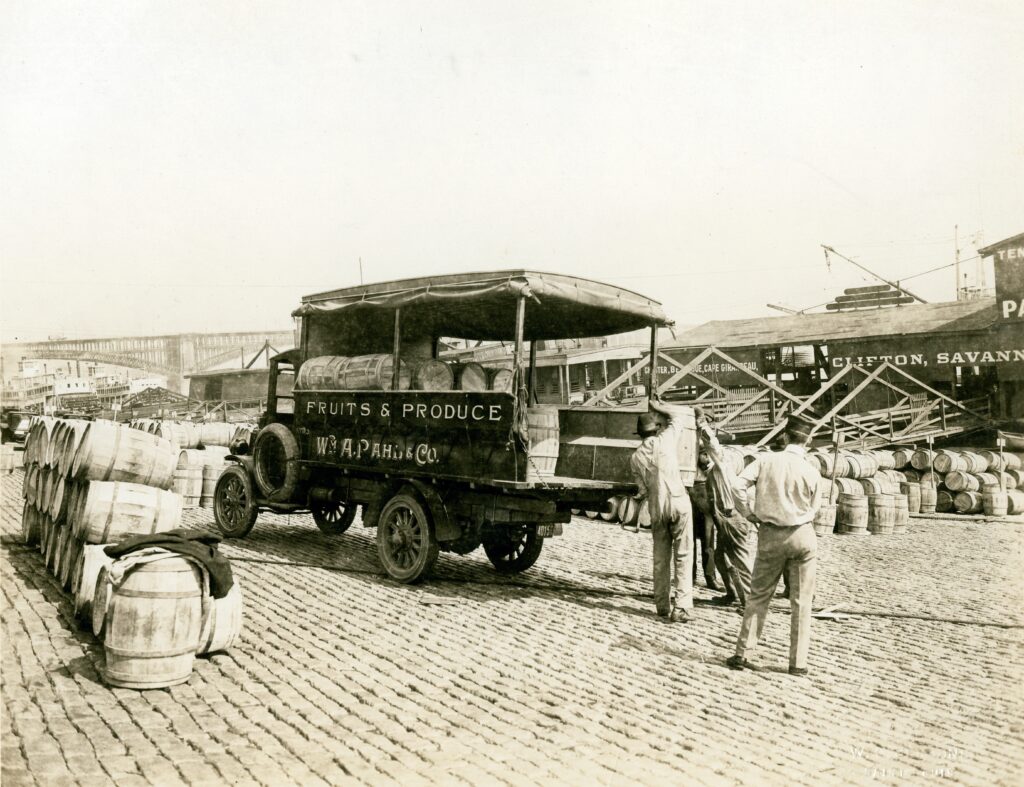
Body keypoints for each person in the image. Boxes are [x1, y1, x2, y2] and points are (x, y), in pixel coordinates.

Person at [726, 414, 821, 675]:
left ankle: (743, 654)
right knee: (801, 602)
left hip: (770, 535)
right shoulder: (812, 470)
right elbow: (815, 509)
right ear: (807, 442)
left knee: (758, 595)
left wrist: (747, 512)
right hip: (803, 535)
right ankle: (798, 664)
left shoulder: (765, 460)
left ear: (786, 436)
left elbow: (736, 485)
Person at [630, 398, 694, 623]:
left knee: (660, 558)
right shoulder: (666, 441)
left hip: (658, 508)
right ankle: (682, 607)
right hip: (679, 504)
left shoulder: (635, 458)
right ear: (655, 430)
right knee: (684, 556)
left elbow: (641, 490)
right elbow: (680, 416)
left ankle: (662, 605)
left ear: (640, 435)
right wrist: (659, 407)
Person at [696, 412, 755, 610]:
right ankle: (731, 593)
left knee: (741, 561)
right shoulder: (712, 472)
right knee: (720, 558)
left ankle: (750, 603)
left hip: (733, 519)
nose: (701, 458)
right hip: (724, 519)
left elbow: (713, 444)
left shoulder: (722, 466)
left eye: (703, 455)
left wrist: (702, 424)